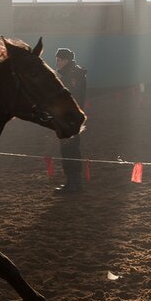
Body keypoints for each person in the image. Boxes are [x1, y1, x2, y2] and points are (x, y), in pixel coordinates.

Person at [54, 47, 87, 194]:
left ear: (66, 60)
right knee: (67, 149)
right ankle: (72, 182)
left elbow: (73, 97)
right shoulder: (70, 73)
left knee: (70, 149)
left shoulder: (73, 75)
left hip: (70, 118)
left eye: (59, 59)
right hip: (67, 117)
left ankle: (73, 183)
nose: (57, 62)